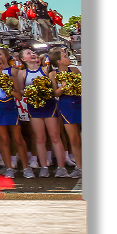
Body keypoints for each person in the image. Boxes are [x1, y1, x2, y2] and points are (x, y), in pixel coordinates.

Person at [16, 48, 68, 177]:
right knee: (40, 139)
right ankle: (44, 166)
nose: (32, 54)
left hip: (49, 106)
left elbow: (53, 86)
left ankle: (61, 168)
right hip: (34, 107)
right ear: (23, 59)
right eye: (28, 53)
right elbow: (19, 91)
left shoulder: (46, 70)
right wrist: (33, 92)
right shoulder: (22, 73)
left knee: (55, 137)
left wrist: (44, 91)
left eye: (33, 52)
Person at [0, 51, 29, 179]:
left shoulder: (11, 78)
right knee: (4, 140)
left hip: (11, 109)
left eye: (0, 64)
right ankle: (9, 168)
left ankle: (26, 167)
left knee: (18, 139)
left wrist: (8, 88)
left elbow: (19, 97)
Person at [48, 48, 82, 179]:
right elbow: (55, 93)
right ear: (59, 61)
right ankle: (79, 166)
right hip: (66, 105)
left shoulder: (74, 70)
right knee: (74, 139)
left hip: (78, 101)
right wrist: (64, 85)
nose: (68, 57)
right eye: (65, 56)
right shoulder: (53, 74)